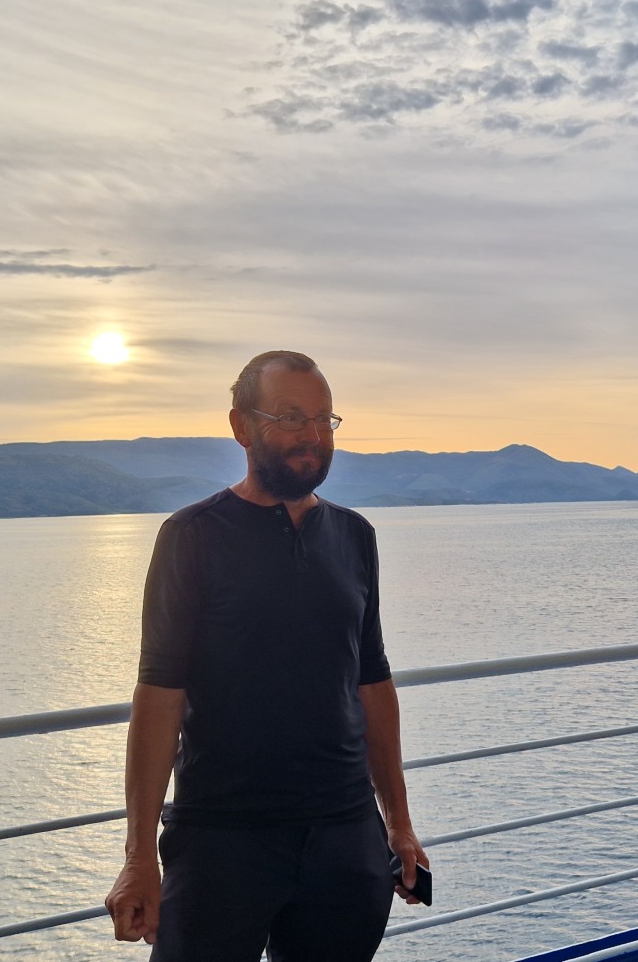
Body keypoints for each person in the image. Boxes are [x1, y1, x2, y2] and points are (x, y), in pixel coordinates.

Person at [103, 350, 428, 962]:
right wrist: (139, 855)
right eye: (290, 417)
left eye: (324, 419)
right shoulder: (193, 536)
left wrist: (399, 824)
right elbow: (159, 694)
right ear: (242, 426)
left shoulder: (354, 536)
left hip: (345, 834)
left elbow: (372, 680)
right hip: (222, 838)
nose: (312, 435)